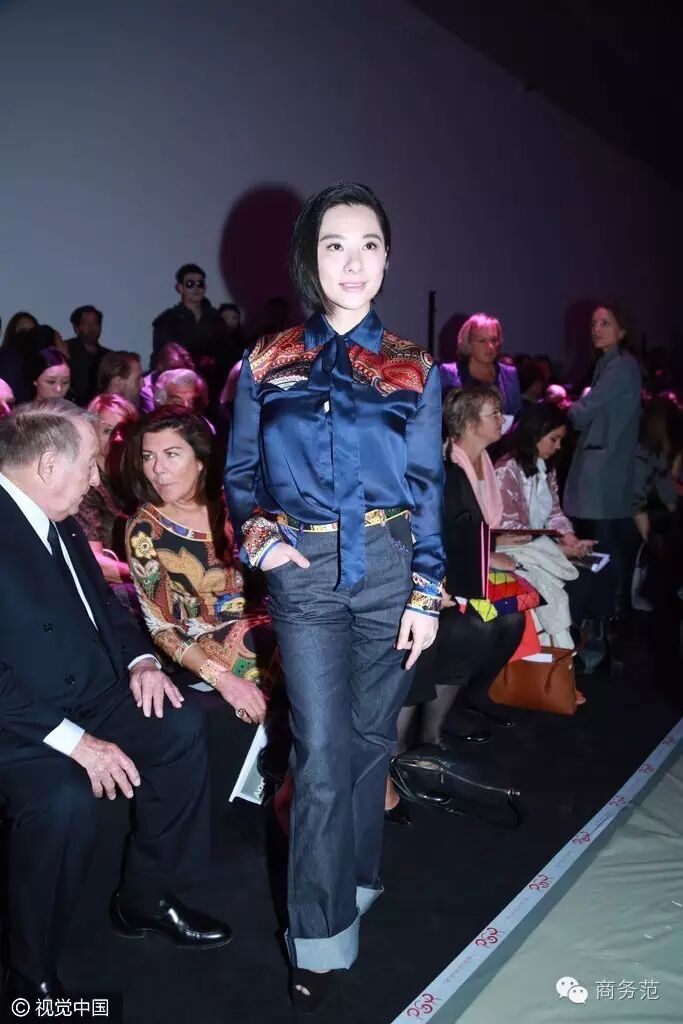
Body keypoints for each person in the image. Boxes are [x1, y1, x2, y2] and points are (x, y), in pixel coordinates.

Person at [226, 181, 444, 1009]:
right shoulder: (265, 360)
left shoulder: (415, 367)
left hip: (389, 565)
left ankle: (353, 882)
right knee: (319, 754)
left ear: (387, 257)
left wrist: (426, 594)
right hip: (306, 572)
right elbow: (240, 477)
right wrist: (267, 546)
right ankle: (317, 937)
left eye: (368, 244)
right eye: (333, 244)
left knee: (369, 743)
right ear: (308, 259)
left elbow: (426, 491)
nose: (352, 262)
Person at [0, 399, 231, 998]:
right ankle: (31, 976)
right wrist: (77, 743)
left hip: (90, 691)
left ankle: (146, 896)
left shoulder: (59, 518)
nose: (97, 479)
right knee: (63, 801)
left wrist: (142, 661)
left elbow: (104, 606)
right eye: (90, 464)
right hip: (20, 720)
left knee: (179, 727)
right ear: (49, 464)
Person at [385, 386, 528, 824]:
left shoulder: (442, 473)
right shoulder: (388, 475)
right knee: (423, 641)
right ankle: (395, 764)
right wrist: (422, 588)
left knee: (473, 625)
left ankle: (424, 745)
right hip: (386, 597)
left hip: (427, 592)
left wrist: (437, 584)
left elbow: (451, 539)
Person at [124, 408, 277, 715]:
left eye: (171, 454)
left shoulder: (237, 504)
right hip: (200, 642)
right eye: (148, 457)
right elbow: (162, 627)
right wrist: (222, 680)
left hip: (270, 622)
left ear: (200, 460)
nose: (157, 469)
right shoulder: (145, 529)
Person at [495, 402, 612, 667]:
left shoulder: (545, 468)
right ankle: (561, 656)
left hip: (539, 546)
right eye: (554, 439)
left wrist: (570, 539)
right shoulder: (506, 470)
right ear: (535, 434)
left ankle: (584, 647)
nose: (558, 446)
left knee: (601, 572)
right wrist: (559, 549)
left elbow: (555, 513)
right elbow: (509, 529)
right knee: (578, 582)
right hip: (513, 550)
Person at [563, 303, 642, 616]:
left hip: (604, 472)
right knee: (603, 545)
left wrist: (571, 404)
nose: (597, 329)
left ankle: (607, 618)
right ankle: (607, 618)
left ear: (622, 330)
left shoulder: (620, 366)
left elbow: (583, 412)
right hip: (603, 469)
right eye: (594, 323)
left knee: (604, 547)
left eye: (605, 323)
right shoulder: (610, 364)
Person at [76, 394, 140, 609]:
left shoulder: (140, 479)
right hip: (108, 592)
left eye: (123, 430)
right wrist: (149, 577)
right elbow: (93, 561)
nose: (118, 438)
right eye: (107, 431)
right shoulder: (86, 486)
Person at [439, 313, 522, 416]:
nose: (490, 346)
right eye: (482, 341)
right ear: (468, 343)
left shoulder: (509, 374)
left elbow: (517, 414)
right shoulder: (449, 373)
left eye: (494, 340)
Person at [151, 263, 231, 365]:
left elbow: (228, 354)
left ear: (205, 287)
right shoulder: (167, 321)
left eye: (200, 284)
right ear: (180, 288)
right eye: (190, 284)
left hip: (215, 374)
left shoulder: (216, 319)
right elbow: (160, 359)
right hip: (180, 374)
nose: (196, 288)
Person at [64, 305, 109, 406]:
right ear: (76, 328)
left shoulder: (108, 356)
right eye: (86, 323)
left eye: (95, 323)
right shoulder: (65, 350)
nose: (91, 327)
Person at [140, 342, 194, 414]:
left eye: (181, 369)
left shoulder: (190, 381)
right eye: (173, 369)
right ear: (160, 366)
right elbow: (157, 416)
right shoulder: (145, 388)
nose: (177, 374)